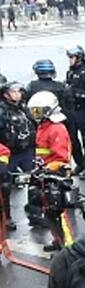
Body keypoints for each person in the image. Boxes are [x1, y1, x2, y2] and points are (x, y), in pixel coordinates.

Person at [27, 91, 74, 251]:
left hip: (56, 176)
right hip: (45, 175)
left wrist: (48, 169)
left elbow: (61, 158)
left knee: (59, 212)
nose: (35, 114)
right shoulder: (43, 126)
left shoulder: (56, 128)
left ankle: (67, 247)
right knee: (49, 211)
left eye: (38, 111)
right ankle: (58, 240)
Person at [0, 81, 36, 231]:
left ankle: (36, 212)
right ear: (6, 94)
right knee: (5, 185)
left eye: (19, 91)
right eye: (13, 91)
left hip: (26, 150)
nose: (17, 94)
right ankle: (6, 217)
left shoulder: (23, 108)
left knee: (36, 179)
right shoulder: (2, 112)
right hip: (9, 152)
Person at [65, 46, 85, 180]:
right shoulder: (70, 72)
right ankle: (80, 163)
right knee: (72, 140)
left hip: (83, 110)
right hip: (72, 111)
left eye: (72, 58)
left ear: (79, 58)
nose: (69, 60)